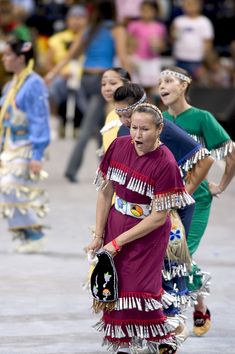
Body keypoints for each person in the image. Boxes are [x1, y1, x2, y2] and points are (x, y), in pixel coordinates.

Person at [87, 102, 195, 354]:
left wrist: (117, 242)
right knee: (116, 286)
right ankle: (124, 344)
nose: (136, 135)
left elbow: (158, 218)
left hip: (147, 233)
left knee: (140, 289)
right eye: (133, 127)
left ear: (159, 130)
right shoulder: (118, 146)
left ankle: (164, 340)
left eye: (144, 129)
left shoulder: (165, 162)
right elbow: (105, 192)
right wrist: (100, 235)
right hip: (116, 222)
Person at [158, 66, 235, 336]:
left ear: (184, 85)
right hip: (167, 198)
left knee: (182, 253)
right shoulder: (160, 120)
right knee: (170, 253)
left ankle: (183, 311)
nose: (162, 86)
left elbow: (230, 154)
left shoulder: (202, 118)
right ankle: (195, 304)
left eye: (168, 80)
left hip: (196, 199)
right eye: (159, 82)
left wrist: (221, 185)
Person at [45, 0, 130, 183]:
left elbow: (69, 56)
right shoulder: (116, 29)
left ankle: (107, 169)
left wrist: (52, 74)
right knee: (88, 128)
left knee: (100, 125)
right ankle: (71, 169)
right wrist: (131, 83)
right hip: (105, 80)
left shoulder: (89, 29)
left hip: (86, 80)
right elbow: (122, 57)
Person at [0, 37, 50, 253]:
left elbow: (40, 118)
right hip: (10, 144)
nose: (4, 59)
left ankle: (34, 232)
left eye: (8, 55)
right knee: (7, 189)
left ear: (21, 58)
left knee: (11, 185)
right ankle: (24, 233)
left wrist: (37, 154)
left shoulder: (34, 83)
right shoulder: (11, 84)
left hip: (27, 144)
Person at [44, 4, 89, 138]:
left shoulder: (91, 38)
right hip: (62, 77)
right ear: (67, 20)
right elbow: (47, 64)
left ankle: (89, 127)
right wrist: (59, 73)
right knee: (51, 88)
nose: (77, 21)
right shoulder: (57, 38)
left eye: (81, 17)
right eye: (73, 17)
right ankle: (53, 126)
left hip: (84, 77)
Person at [127, 0, 166, 99]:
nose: (146, 13)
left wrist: (158, 46)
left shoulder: (159, 27)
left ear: (155, 12)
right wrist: (131, 58)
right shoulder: (134, 25)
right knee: (138, 89)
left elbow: (162, 46)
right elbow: (128, 42)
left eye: (149, 10)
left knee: (152, 89)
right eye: (144, 10)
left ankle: (150, 109)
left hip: (152, 61)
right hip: (138, 60)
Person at [170, 0, 214, 80]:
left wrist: (205, 61)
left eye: (192, 4)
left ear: (199, 6)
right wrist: (173, 32)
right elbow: (172, 40)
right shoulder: (178, 21)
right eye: (187, 4)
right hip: (180, 58)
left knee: (197, 84)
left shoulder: (204, 22)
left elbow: (208, 42)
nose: (189, 7)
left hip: (197, 60)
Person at [100, 67, 131, 153]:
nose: (107, 88)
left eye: (113, 83)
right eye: (103, 84)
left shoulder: (132, 113)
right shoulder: (110, 114)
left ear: (127, 84)